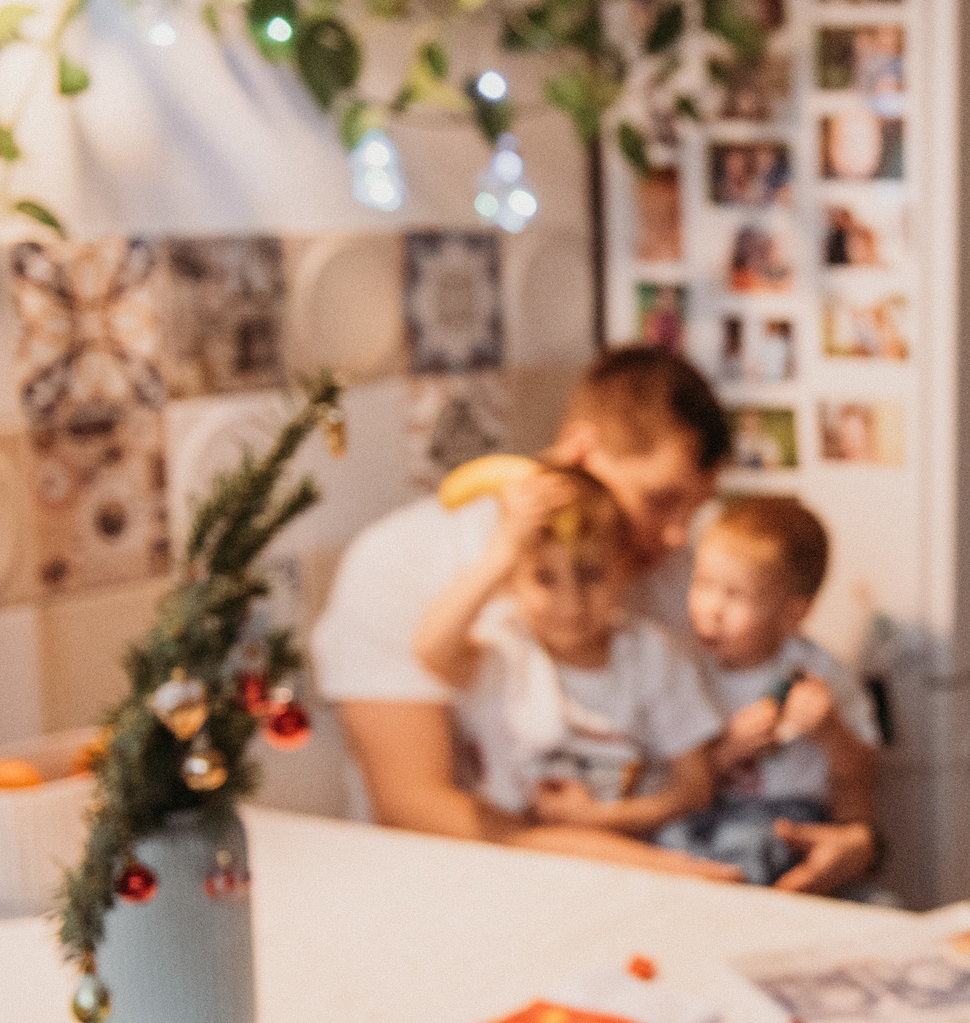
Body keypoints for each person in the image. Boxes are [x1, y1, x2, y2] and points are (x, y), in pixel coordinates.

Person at [312, 346, 731, 876]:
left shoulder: (672, 570)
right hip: (456, 889)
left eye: (695, 507)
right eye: (661, 499)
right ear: (582, 449)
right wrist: (646, 867)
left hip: (668, 870)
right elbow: (412, 807)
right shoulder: (396, 562)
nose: (677, 536)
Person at [411, 468, 718, 841]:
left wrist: (602, 819)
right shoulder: (505, 648)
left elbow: (694, 790)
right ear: (512, 580)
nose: (570, 604)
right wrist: (505, 549)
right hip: (517, 858)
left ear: (622, 570)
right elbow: (430, 648)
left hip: (634, 855)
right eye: (544, 577)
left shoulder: (653, 655)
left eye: (590, 574)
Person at [660, 496, 882, 893]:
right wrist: (730, 749)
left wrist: (831, 732)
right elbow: (677, 783)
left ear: (793, 613)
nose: (711, 609)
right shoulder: (682, 668)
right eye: (704, 584)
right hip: (708, 816)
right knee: (671, 842)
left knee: (760, 849)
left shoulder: (821, 673)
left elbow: (863, 772)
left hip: (794, 821)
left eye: (736, 595)